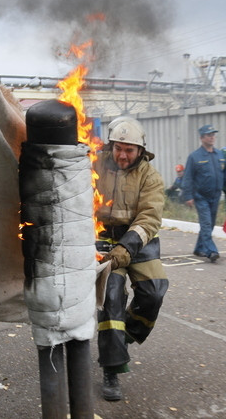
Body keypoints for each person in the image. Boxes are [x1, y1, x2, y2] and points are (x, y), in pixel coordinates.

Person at [95, 118, 167, 401]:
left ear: (141, 151)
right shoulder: (95, 164)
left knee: (154, 292)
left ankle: (123, 337)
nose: (123, 155)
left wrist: (126, 249)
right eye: (119, 148)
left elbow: (149, 219)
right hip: (102, 239)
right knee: (112, 295)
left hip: (136, 241)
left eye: (130, 150)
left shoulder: (150, 176)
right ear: (112, 146)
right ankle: (112, 367)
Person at [182, 124, 226, 262]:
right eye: (208, 135)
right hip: (201, 196)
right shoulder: (195, 156)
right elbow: (188, 178)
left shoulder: (220, 155)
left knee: (210, 224)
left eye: (213, 134)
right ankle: (211, 251)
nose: (212, 137)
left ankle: (199, 248)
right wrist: (188, 196)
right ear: (201, 138)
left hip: (216, 196)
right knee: (206, 224)